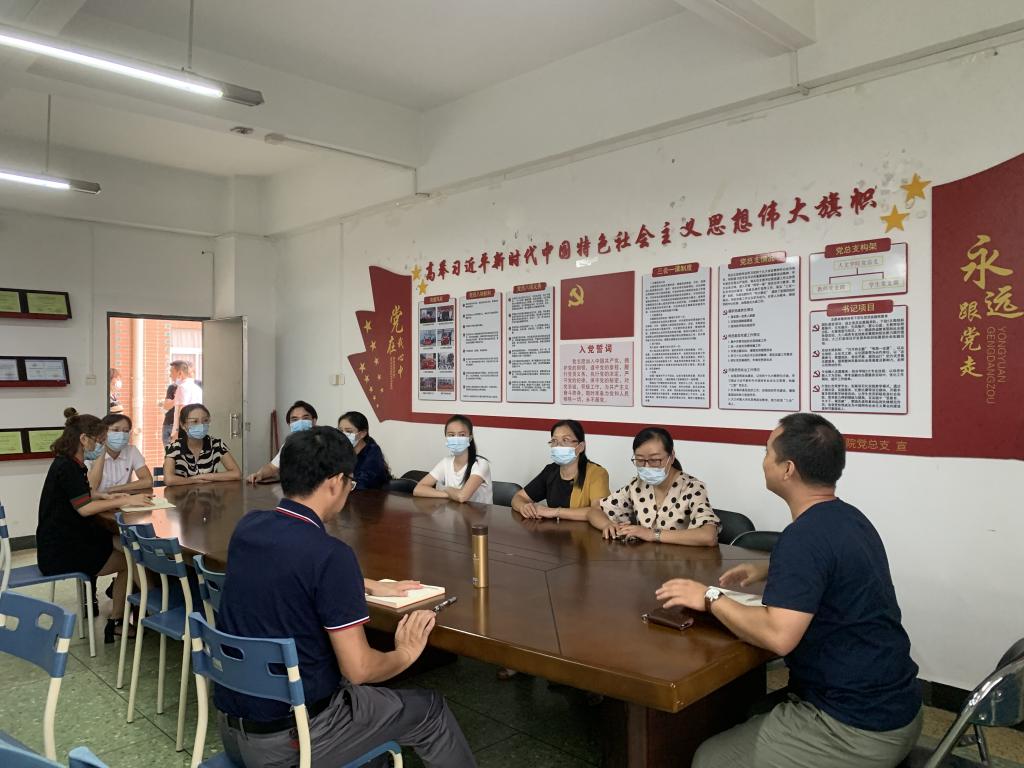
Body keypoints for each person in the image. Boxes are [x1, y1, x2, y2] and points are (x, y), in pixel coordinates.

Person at [656, 413, 923, 768]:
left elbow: (778, 636)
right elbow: (832, 565)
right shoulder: (849, 517)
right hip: (897, 705)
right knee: (746, 711)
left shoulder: (804, 538)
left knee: (709, 759)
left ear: (788, 469)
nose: (763, 459)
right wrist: (771, 566)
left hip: (856, 727)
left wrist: (709, 597)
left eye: (768, 451)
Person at [215, 427, 476, 767]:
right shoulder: (330, 555)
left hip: (235, 733)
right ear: (336, 482)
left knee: (370, 727)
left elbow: (289, 569)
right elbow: (360, 669)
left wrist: (365, 583)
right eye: (350, 483)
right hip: (296, 742)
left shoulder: (249, 527)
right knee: (430, 710)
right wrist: (406, 653)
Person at [37, 408, 152, 643]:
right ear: (84, 439)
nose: (100, 446)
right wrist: (124, 500)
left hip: (65, 541)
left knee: (125, 547)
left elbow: (82, 495)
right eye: (99, 441)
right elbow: (85, 508)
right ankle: (127, 617)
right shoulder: (68, 467)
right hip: (61, 552)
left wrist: (104, 496)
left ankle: (129, 615)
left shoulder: (69, 463)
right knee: (131, 560)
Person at [587, 426, 719, 545]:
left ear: (671, 457)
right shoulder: (637, 485)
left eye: (655, 460)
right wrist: (607, 524)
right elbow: (595, 510)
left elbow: (709, 536)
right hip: (645, 559)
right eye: (640, 460)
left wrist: (652, 534)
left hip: (681, 561)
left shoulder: (692, 488)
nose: (647, 466)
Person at [512, 419, 610, 520]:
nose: (558, 446)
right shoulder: (550, 470)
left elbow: (598, 511)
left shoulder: (596, 473)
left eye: (565, 440)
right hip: (554, 529)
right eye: (554, 441)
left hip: (583, 530)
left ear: (580, 447)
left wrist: (553, 512)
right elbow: (518, 497)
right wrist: (524, 507)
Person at [414, 415, 492, 504]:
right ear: (446, 438)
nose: (456, 439)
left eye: (462, 435)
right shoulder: (446, 462)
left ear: (470, 438)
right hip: (455, 511)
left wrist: (445, 488)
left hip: (479, 513)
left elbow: (462, 497)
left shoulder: (480, 464)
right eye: (451, 435)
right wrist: (448, 494)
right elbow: (418, 489)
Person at [163, 403, 241, 485]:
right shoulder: (173, 448)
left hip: (209, 492)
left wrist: (204, 476)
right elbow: (169, 480)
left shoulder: (216, 445)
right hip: (181, 493)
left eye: (205, 421)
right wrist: (194, 481)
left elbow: (236, 474)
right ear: (183, 425)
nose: (201, 425)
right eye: (195, 421)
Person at [247, 400, 318, 484]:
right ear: (289, 425)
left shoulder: (325, 442)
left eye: (305, 418)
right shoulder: (288, 445)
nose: (300, 422)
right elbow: (272, 468)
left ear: (314, 421)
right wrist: (260, 474)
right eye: (295, 419)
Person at [87, 413, 153, 494]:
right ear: (103, 432)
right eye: (115, 430)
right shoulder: (91, 453)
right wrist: (102, 451)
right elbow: (92, 487)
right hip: (98, 500)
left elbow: (148, 481)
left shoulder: (132, 451)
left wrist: (114, 489)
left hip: (123, 498)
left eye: (126, 431)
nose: (121, 435)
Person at [338, 410, 392, 490]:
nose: (343, 435)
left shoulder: (372, 452)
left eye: (348, 431)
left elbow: (363, 483)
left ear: (362, 434)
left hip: (371, 495)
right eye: (340, 431)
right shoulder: (340, 450)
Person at [168, 360, 202, 438]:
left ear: (180, 373)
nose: (170, 375)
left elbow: (182, 410)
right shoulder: (197, 389)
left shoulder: (182, 387)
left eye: (172, 372)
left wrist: (177, 432)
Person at [159, 377, 178, 446]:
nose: (170, 375)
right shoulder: (172, 387)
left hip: (180, 427)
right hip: (168, 424)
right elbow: (166, 406)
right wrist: (177, 397)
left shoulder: (194, 387)